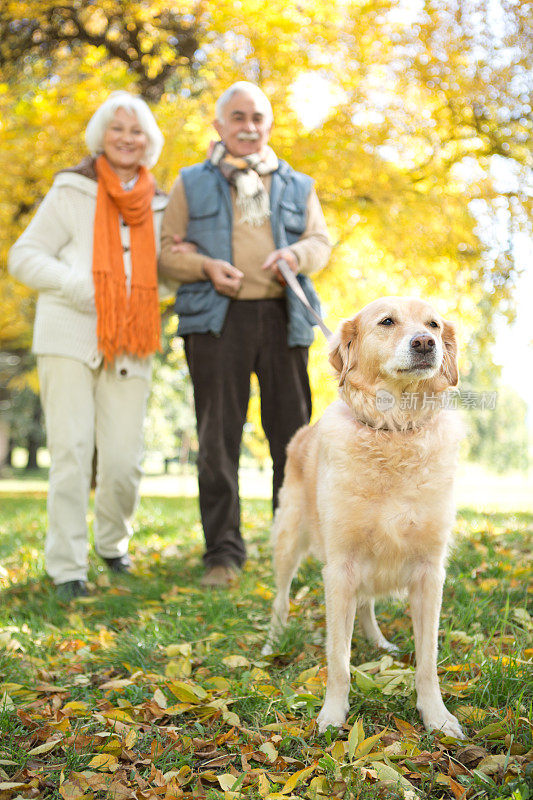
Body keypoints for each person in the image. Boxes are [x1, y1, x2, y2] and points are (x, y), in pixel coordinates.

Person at [159, 81, 331, 587]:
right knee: (217, 439)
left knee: (294, 441)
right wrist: (207, 265)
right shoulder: (190, 182)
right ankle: (223, 554)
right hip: (216, 322)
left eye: (257, 117)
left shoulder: (298, 185)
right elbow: (166, 254)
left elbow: (320, 241)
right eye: (237, 117)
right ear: (219, 126)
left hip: (284, 319)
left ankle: (292, 545)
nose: (248, 127)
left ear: (269, 125)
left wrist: (295, 257)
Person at [8, 91, 169, 600]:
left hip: (133, 339)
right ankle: (67, 568)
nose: (126, 138)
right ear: (101, 136)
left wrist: (148, 292)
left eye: (136, 130)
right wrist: (83, 287)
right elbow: (24, 255)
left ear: (150, 142)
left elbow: (167, 276)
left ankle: (112, 545)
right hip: (68, 333)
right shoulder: (71, 190)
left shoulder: (162, 204)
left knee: (124, 458)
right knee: (72, 453)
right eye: (117, 128)